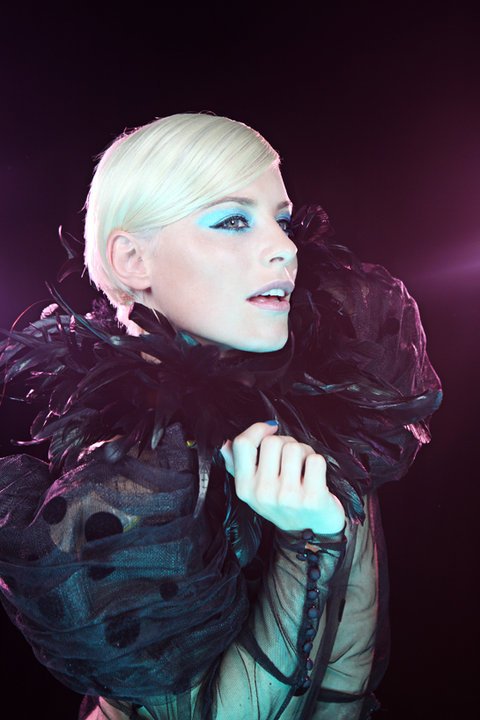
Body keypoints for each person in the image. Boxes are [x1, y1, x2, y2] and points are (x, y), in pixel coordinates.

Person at [0, 113, 442, 720]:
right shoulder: (125, 472)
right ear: (132, 260)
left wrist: (328, 526)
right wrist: (311, 542)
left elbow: (346, 690)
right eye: (233, 220)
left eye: (282, 220)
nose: (286, 247)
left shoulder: (317, 411)